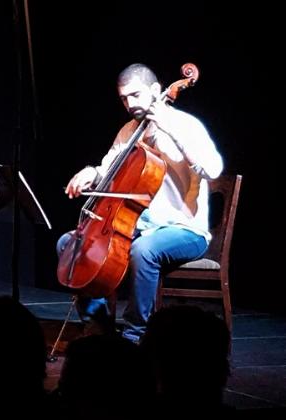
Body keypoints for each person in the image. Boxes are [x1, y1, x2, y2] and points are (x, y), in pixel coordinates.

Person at [58, 63, 223, 342]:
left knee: (143, 250)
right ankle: (97, 324)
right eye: (124, 98)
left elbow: (213, 168)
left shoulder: (185, 125)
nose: (129, 104)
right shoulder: (128, 131)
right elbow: (107, 169)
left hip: (185, 230)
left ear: (156, 91)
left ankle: (135, 334)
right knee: (70, 244)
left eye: (135, 95)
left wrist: (169, 128)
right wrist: (92, 172)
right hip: (139, 227)